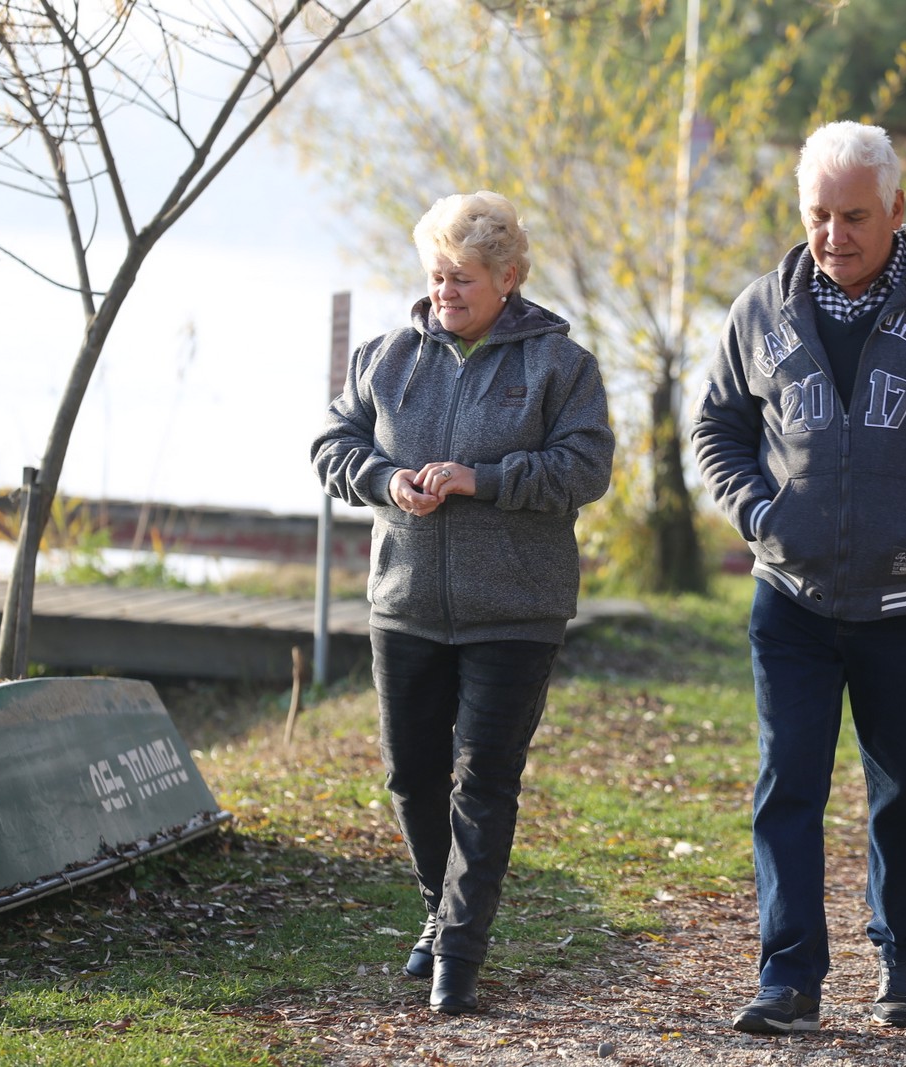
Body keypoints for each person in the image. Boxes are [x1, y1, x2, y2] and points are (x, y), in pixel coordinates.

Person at [692, 121, 906, 1032]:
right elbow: (718, 428)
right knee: (788, 788)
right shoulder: (759, 309)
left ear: (896, 208)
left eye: (855, 215)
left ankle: (905, 958)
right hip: (794, 597)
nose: (834, 236)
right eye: (819, 215)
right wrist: (759, 512)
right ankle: (789, 977)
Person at [312, 190, 614, 1013]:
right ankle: (439, 912)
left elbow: (585, 469)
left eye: (465, 279)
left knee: (482, 781)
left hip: (516, 610)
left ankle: (459, 953)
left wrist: (482, 481)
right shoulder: (386, 357)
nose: (446, 293)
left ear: (509, 279)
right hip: (404, 602)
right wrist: (384, 479)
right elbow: (332, 444)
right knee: (412, 777)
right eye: (438, 276)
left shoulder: (561, 366)